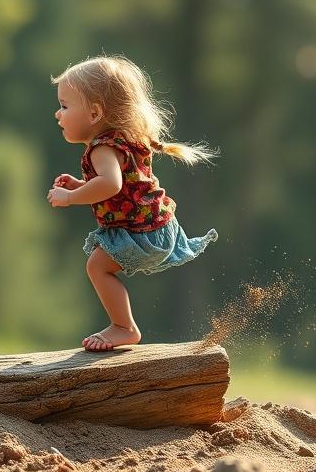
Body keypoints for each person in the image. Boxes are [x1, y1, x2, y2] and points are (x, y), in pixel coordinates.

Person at [47, 56, 217, 351]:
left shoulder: (101, 149)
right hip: (158, 227)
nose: (57, 114)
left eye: (64, 106)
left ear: (95, 112)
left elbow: (111, 184)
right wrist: (80, 185)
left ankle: (124, 327)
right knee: (99, 264)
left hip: (143, 233)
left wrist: (71, 197)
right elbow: (119, 187)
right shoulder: (121, 139)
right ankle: (123, 326)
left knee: (97, 267)